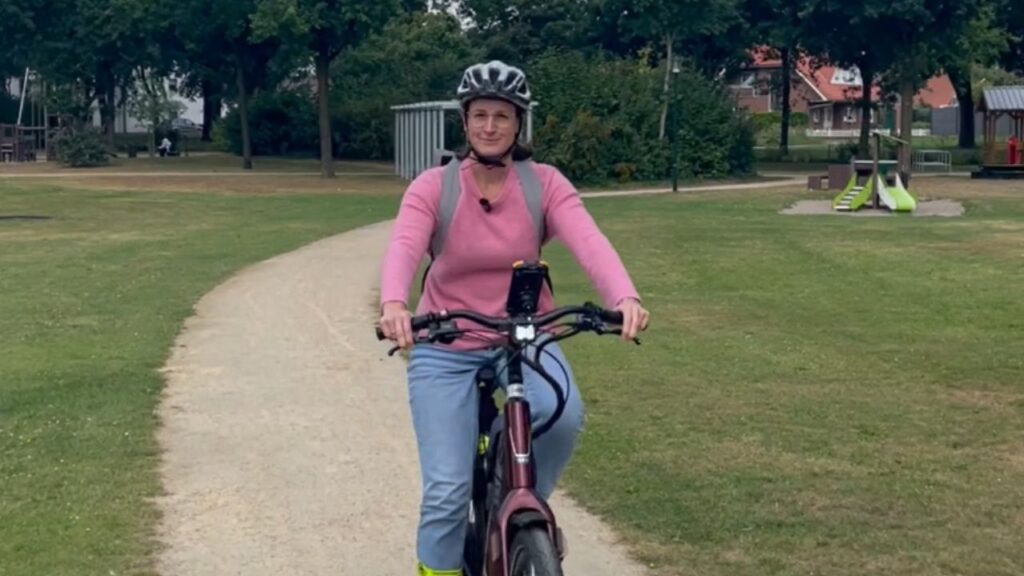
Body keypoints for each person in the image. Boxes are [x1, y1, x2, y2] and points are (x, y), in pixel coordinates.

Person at [377, 60, 650, 576]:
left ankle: (521, 505)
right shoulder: (434, 187)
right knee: (447, 494)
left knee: (562, 413)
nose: (489, 127)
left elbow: (588, 240)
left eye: (502, 116)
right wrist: (395, 304)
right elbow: (405, 246)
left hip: (524, 335)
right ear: (464, 121)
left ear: (518, 124)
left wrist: (624, 296)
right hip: (446, 337)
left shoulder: (543, 184)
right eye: (479, 115)